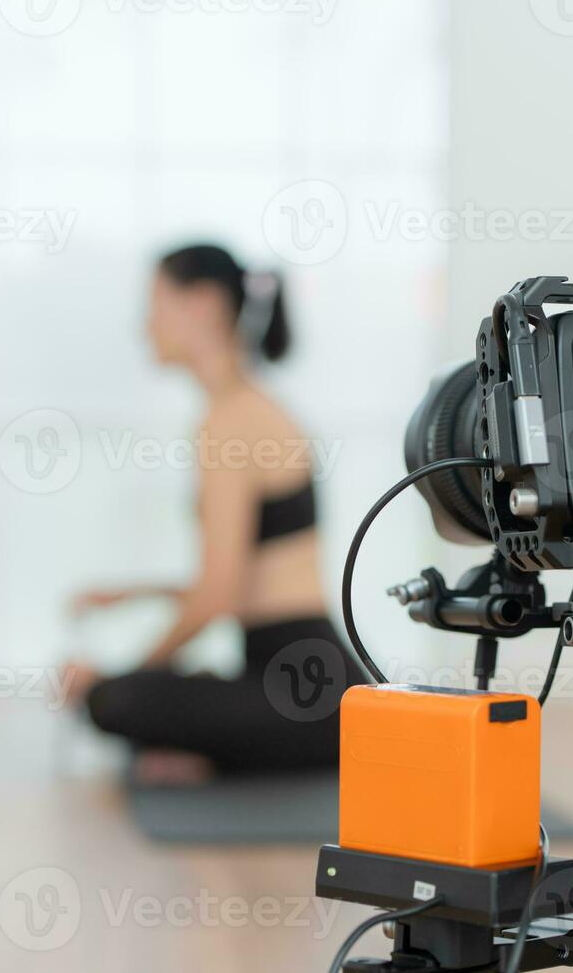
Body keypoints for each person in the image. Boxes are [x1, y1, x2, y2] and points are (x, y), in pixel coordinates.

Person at [64, 243, 366, 782]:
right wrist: (135, 595)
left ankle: (210, 749)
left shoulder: (230, 421)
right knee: (129, 693)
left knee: (109, 699)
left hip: (306, 692)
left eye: (156, 302)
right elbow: (249, 580)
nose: (144, 324)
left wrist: (123, 676)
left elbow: (218, 598)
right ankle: (212, 749)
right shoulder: (244, 408)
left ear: (202, 304)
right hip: (307, 680)